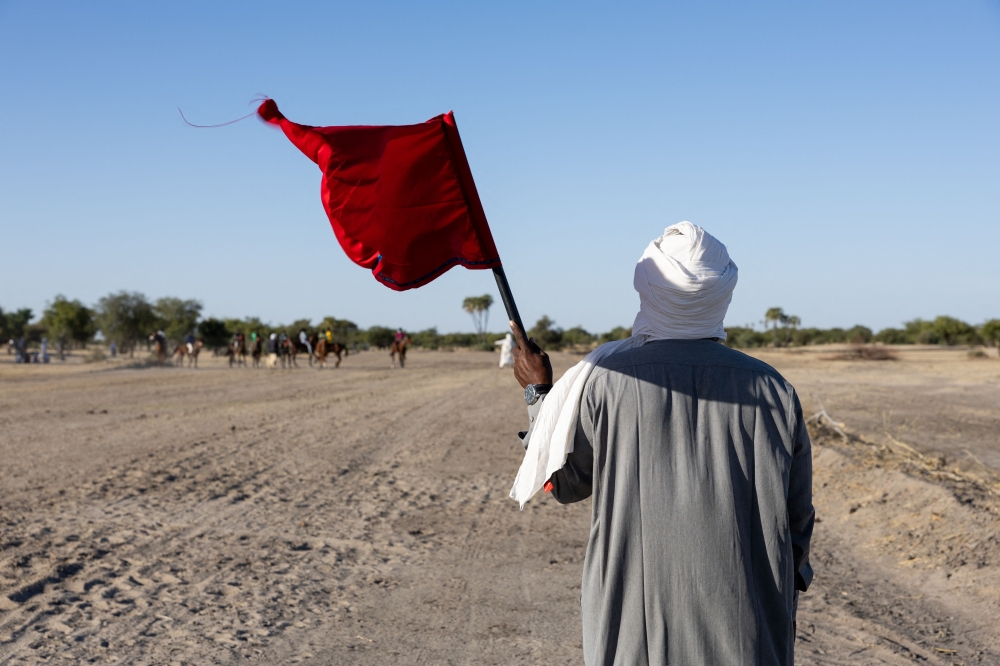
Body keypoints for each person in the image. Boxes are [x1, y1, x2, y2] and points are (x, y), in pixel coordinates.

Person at [511, 222, 814, 666]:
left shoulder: (602, 383)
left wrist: (540, 395)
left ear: (647, 289)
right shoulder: (774, 390)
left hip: (633, 632)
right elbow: (797, 521)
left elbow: (565, 485)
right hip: (749, 634)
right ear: (722, 293)